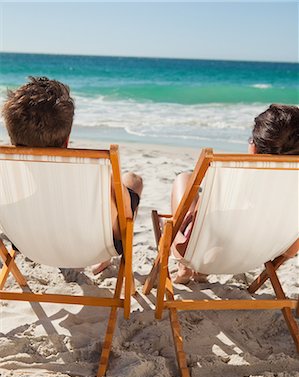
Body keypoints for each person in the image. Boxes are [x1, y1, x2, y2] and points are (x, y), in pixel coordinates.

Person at [2, 76, 143, 274]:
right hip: (92, 250)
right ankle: (103, 261)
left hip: (29, 246)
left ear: (12, 139)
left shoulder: (7, 177)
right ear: (67, 139)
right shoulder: (93, 177)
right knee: (133, 181)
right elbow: (122, 229)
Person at [171, 104, 299, 284]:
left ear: (254, 149)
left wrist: (170, 233)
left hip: (199, 254)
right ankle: (199, 272)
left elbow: (193, 233)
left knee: (184, 180)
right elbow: (290, 251)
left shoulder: (235, 179)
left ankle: (185, 268)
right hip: (258, 256)